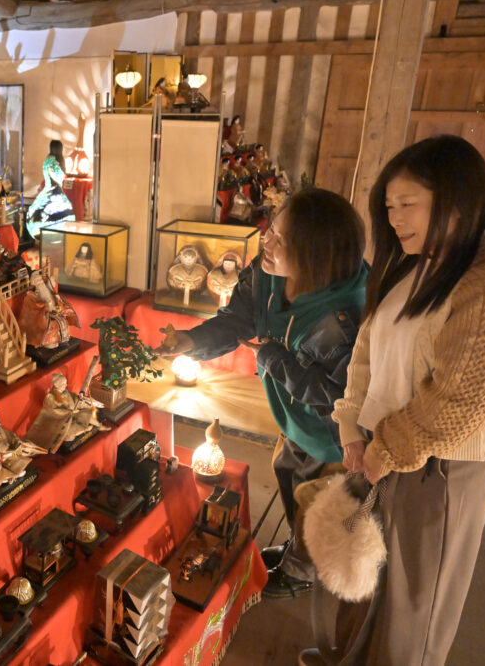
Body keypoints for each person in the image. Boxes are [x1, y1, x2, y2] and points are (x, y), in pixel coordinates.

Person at [300, 135, 485, 666]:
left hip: (444, 467)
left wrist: (381, 452)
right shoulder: (411, 264)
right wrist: (351, 427)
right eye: (388, 208)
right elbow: (367, 352)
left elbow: (460, 398)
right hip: (385, 452)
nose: (394, 218)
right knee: (367, 577)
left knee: (416, 602)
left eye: (407, 204)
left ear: (457, 197)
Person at [155, 187, 368, 599]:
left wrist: (273, 357)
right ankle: (295, 551)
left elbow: (338, 396)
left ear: (316, 253)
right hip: (292, 414)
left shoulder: (341, 320)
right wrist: (189, 341)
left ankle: (302, 570)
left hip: (330, 433)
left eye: (280, 239)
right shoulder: (268, 270)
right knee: (288, 476)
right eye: (270, 230)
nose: (264, 243)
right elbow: (238, 317)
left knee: (316, 499)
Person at [28, 140, 74, 223]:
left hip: (50, 189)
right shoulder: (54, 161)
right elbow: (57, 176)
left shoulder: (48, 159)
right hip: (55, 189)